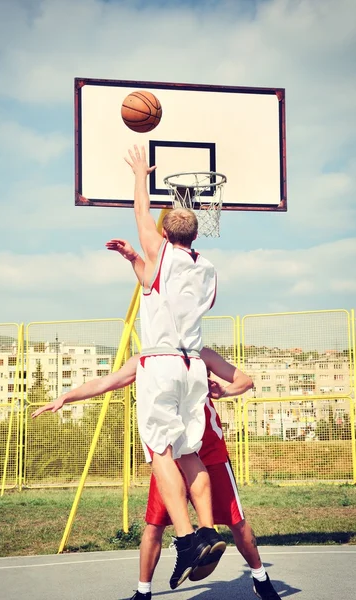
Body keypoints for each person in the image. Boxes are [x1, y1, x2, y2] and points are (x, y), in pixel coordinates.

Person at [31, 350, 280, 600]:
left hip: (210, 452)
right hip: (169, 457)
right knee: (154, 526)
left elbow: (245, 381)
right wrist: (66, 397)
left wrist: (223, 391)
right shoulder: (146, 359)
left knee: (236, 521)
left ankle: (260, 578)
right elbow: (106, 382)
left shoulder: (199, 354)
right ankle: (143, 591)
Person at [117, 144, 223, 589]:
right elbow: (164, 290)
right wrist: (140, 266)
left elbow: (142, 211)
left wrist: (141, 174)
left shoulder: (161, 252)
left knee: (160, 451)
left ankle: (186, 541)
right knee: (188, 452)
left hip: (159, 364)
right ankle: (206, 529)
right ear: (197, 234)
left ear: (165, 232)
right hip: (192, 367)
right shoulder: (207, 269)